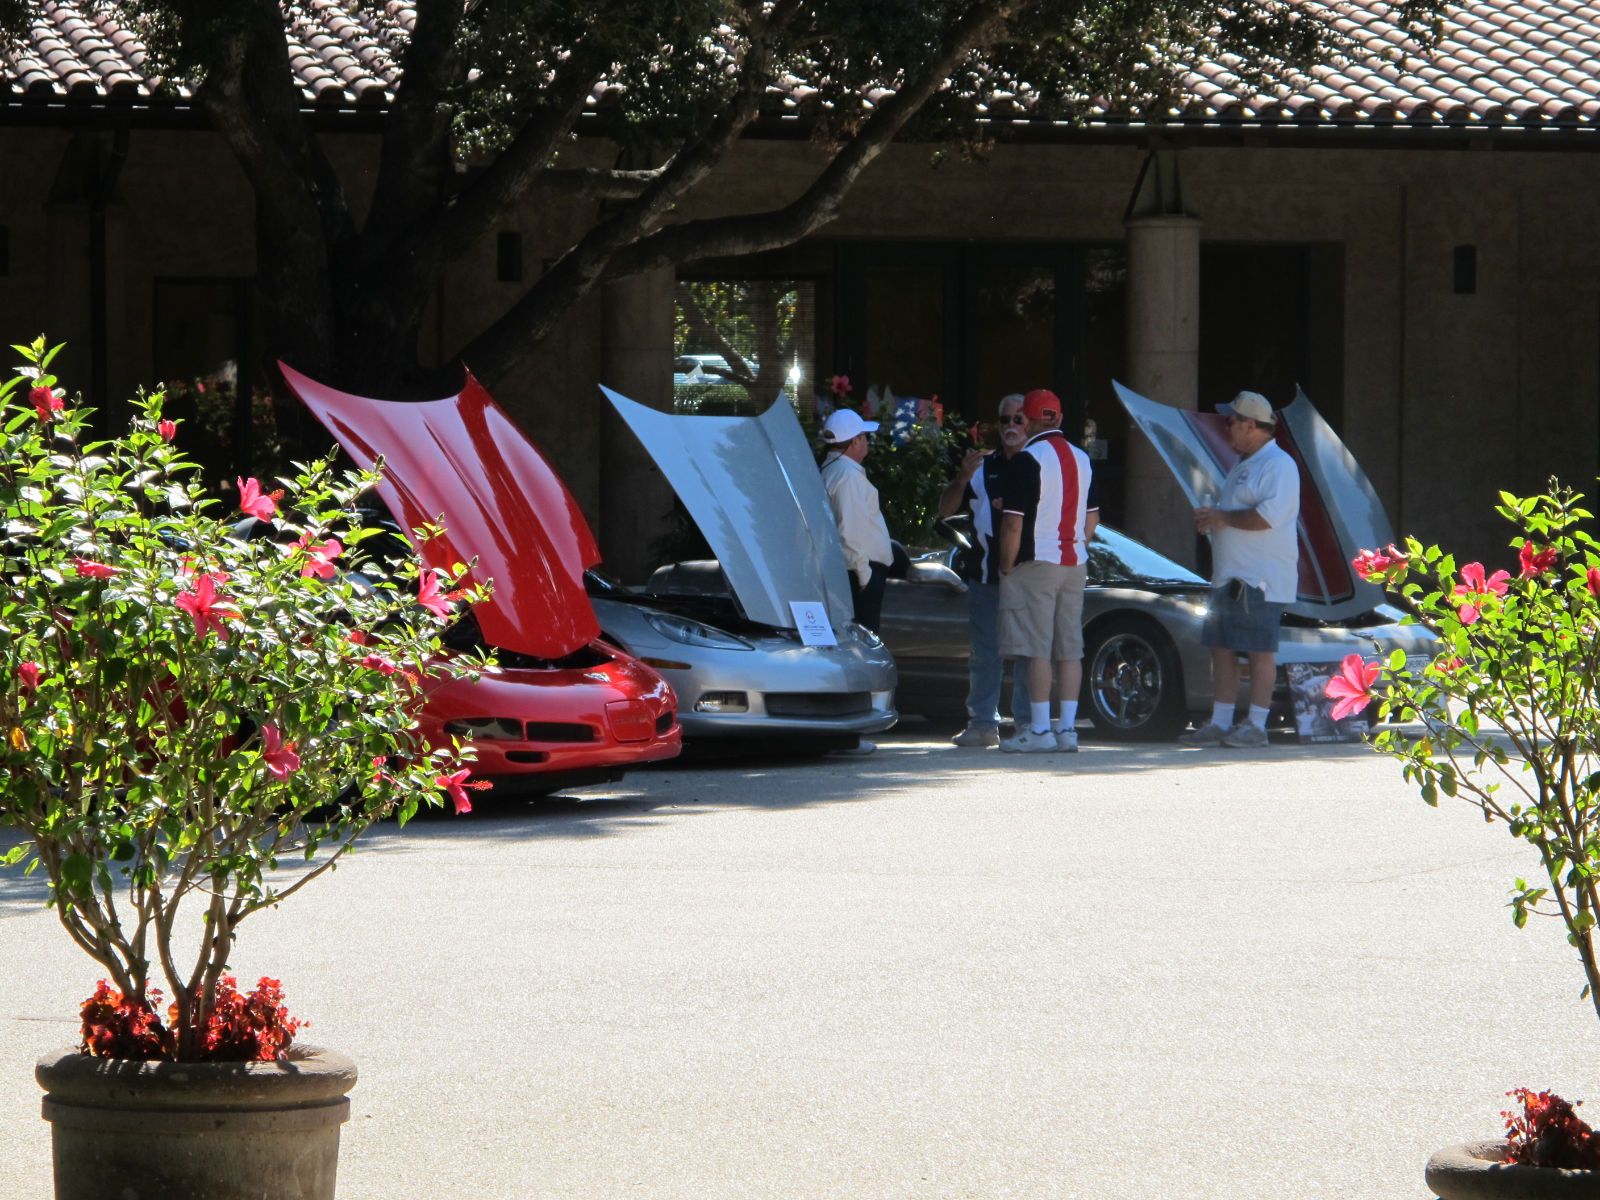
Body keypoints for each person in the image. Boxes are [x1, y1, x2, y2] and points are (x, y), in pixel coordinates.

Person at [1178, 390, 1301, 749]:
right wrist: (1215, 521)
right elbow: (1236, 515)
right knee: (1221, 647)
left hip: (1259, 579)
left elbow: (1268, 517)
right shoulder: (1245, 463)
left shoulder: (1279, 465)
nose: (1226, 427)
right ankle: (1220, 721)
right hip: (1230, 576)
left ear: (1250, 425)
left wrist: (1221, 517)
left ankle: (1257, 726)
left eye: (1230, 421)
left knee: (1260, 650)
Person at [994, 388, 1099, 754]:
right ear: (1058, 417)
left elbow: (1012, 524)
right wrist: (1074, 545)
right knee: (1070, 648)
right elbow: (1092, 519)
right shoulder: (1082, 459)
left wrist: (1005, 565)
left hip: (1036, 562)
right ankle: (1067, 729)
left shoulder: (1028, 458)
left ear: (1029, 418)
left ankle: (1039, 730)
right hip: (1074, 562)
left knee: (1036, 648)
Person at [937, 393, 1031, 748]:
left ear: (1031, 424)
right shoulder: (981, 467)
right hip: (986, 575)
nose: (1010, 426)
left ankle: (1026, 724)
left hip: (1027, 575)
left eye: (1018, 420)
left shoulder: (1039, 463)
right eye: (1005, 420)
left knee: (1026, 651)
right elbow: (944, 511)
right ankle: (982, 724)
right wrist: (961, 479)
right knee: (985, 652)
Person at [819, 408, 893, 634]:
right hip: (859, 574)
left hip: (854, 572)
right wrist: (865, 575)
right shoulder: (847, 476)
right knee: (863, 642)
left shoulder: (833, 469)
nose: (867, 441)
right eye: (863, 436)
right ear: (853, 442)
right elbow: (849, 531)